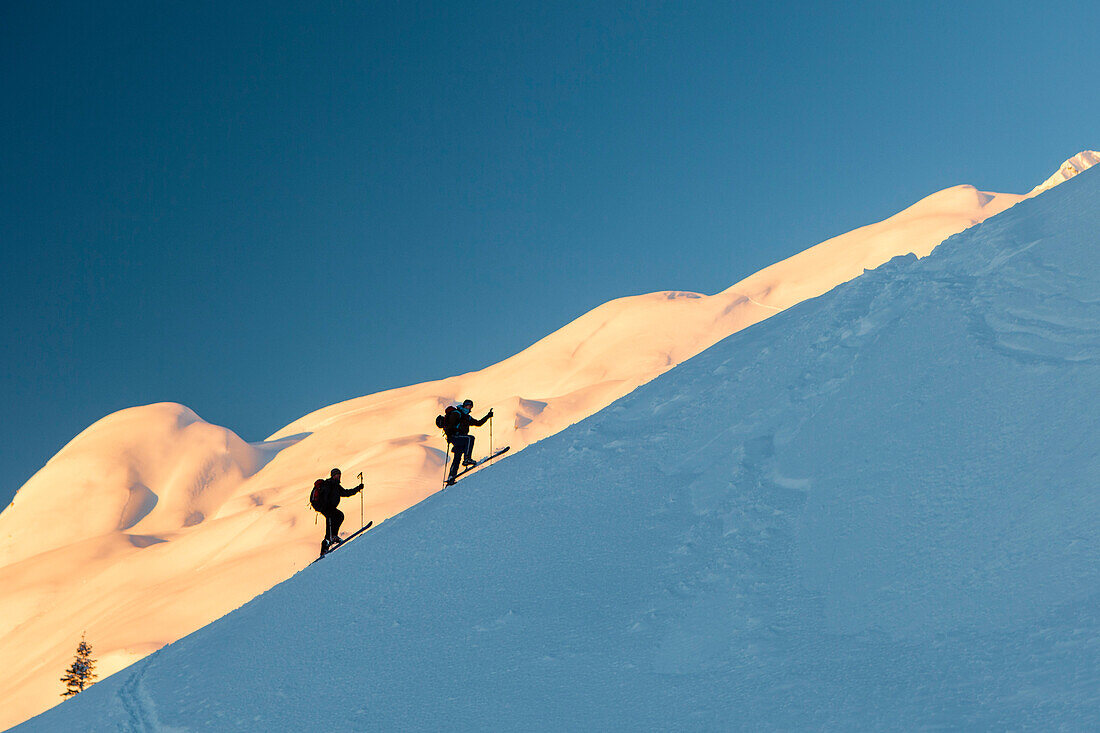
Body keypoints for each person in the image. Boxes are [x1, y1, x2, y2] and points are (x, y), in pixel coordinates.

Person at [314, 468, 364, 554]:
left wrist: (357, 488)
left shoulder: (336, 486)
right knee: (334, 517)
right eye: (336, 475)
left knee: (339, 516)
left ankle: (330, 540)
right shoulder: (328, 484)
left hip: (330, 508)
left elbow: (346, 493)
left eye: (339, 475)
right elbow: (325, 497)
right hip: (325, 507)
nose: (338, 476)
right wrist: (327, 507)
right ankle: (330, 539)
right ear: (333, 476)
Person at [443, 399, 493, 484]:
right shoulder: (457, 413)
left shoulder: (467, 417)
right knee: (470, 438)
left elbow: (478, 423)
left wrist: (488, 416)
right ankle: (467, 459)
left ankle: (451, 477)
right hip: (455, 436)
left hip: (459, 438)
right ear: (464, 405)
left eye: (470, 406)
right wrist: (449, 435)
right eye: (467, 405)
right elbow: (449, 425)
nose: (469, 407)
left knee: (457, 457)